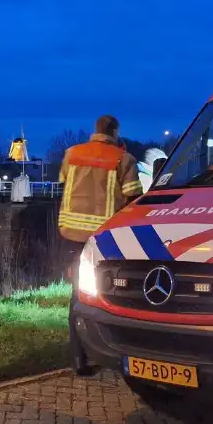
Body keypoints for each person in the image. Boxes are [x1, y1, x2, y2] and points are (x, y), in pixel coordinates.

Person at [58, 115, 143, 375]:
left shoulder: (71, 153)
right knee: (112, 295)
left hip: (71, 236)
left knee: (78, 296)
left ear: (96, 130)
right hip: (106, 239)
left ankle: (78, 358)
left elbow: (65, 184)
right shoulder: (123, 159)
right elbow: (134, 198)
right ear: (115, 131)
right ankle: (116, 350)